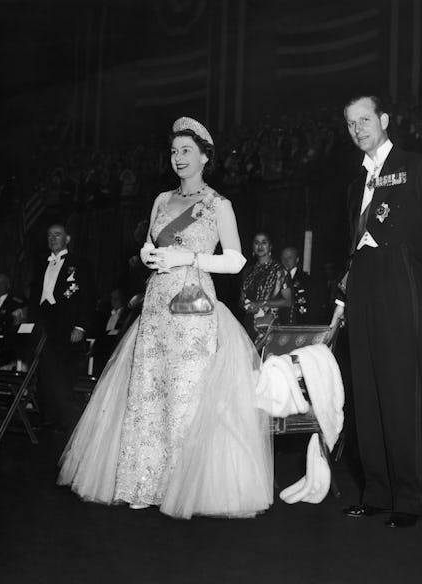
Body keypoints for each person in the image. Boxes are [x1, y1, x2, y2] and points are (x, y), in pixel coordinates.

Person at [58, 117, 273, 519]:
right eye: (174, 151)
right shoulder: (161, 200)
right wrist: (146, 254)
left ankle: (183, 487)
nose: (178, 158)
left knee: (186, 391)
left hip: (193, 302)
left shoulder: (217, 204)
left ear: (205, 156)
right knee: (148, 391)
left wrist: (188, 257)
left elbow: (236, 259)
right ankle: (143, 482)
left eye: (186, 151)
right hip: (157, 301)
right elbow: (148, 242)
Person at [331, 95, 422, 528]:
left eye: (365, 119)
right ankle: (377, 491)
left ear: (383, 120)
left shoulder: (417, 167)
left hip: (402, 283)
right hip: (363, 286)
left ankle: (407, 498)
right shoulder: (355, 186)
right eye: (351, 123)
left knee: (402, 395)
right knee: (366, 393)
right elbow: (352, 249)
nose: (358, 128)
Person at [29, 223, 96, 434]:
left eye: (57, 234)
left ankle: (64, 421)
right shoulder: (41, 264)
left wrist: (81, 326)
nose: (53, 238)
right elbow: (35, 297)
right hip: (45, 325)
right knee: (45, 373)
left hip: (67, 326)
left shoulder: (80, 264)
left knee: (64, 374)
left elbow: (87, 296)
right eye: (49, 235)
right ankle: (47, 418)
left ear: (67, 238)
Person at [239, 231, 292, 341]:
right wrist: (248, 306)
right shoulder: (247, 272)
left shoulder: (280, 270)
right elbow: (242, 301)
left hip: (272, 325)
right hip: (251, 324)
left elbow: (287, 301)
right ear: (253, 247)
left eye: (264, 242)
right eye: (256, 243)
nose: (260, 246)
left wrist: (262, 303)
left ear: (270, 246)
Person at [280, 246, 310, 325]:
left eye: (289, 257)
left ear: (297, 259)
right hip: (282, 322)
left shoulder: (305, 279)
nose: (286, 261)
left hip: (300, 322)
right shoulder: (278, 278)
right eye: (283, 258)